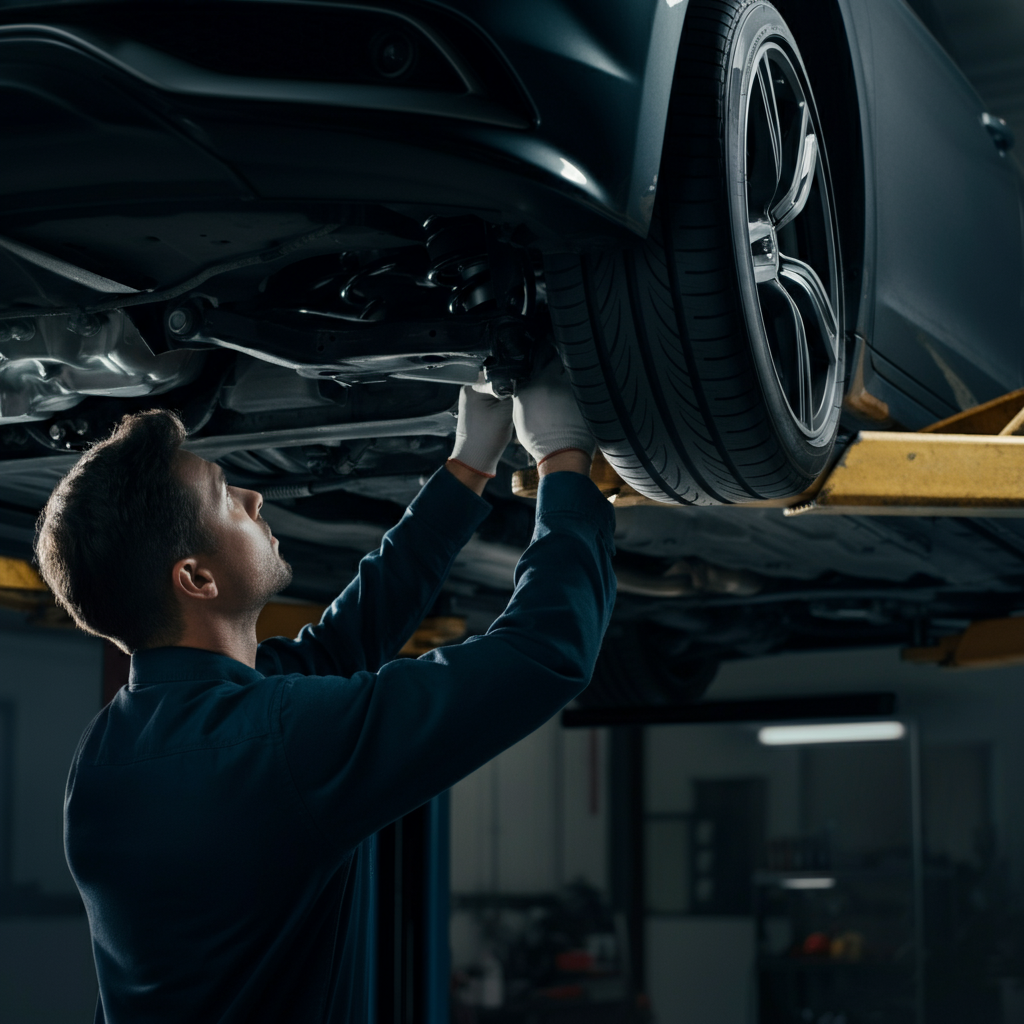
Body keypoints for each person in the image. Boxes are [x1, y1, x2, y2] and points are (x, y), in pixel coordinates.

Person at [34, 358, 616, 1023]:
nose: (255, 500)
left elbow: (339, 650)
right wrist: (562, 463)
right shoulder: (266, 745)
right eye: (226, 496)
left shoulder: (117, 746)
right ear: (196, 578)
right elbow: (541, 655)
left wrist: (468, 466)